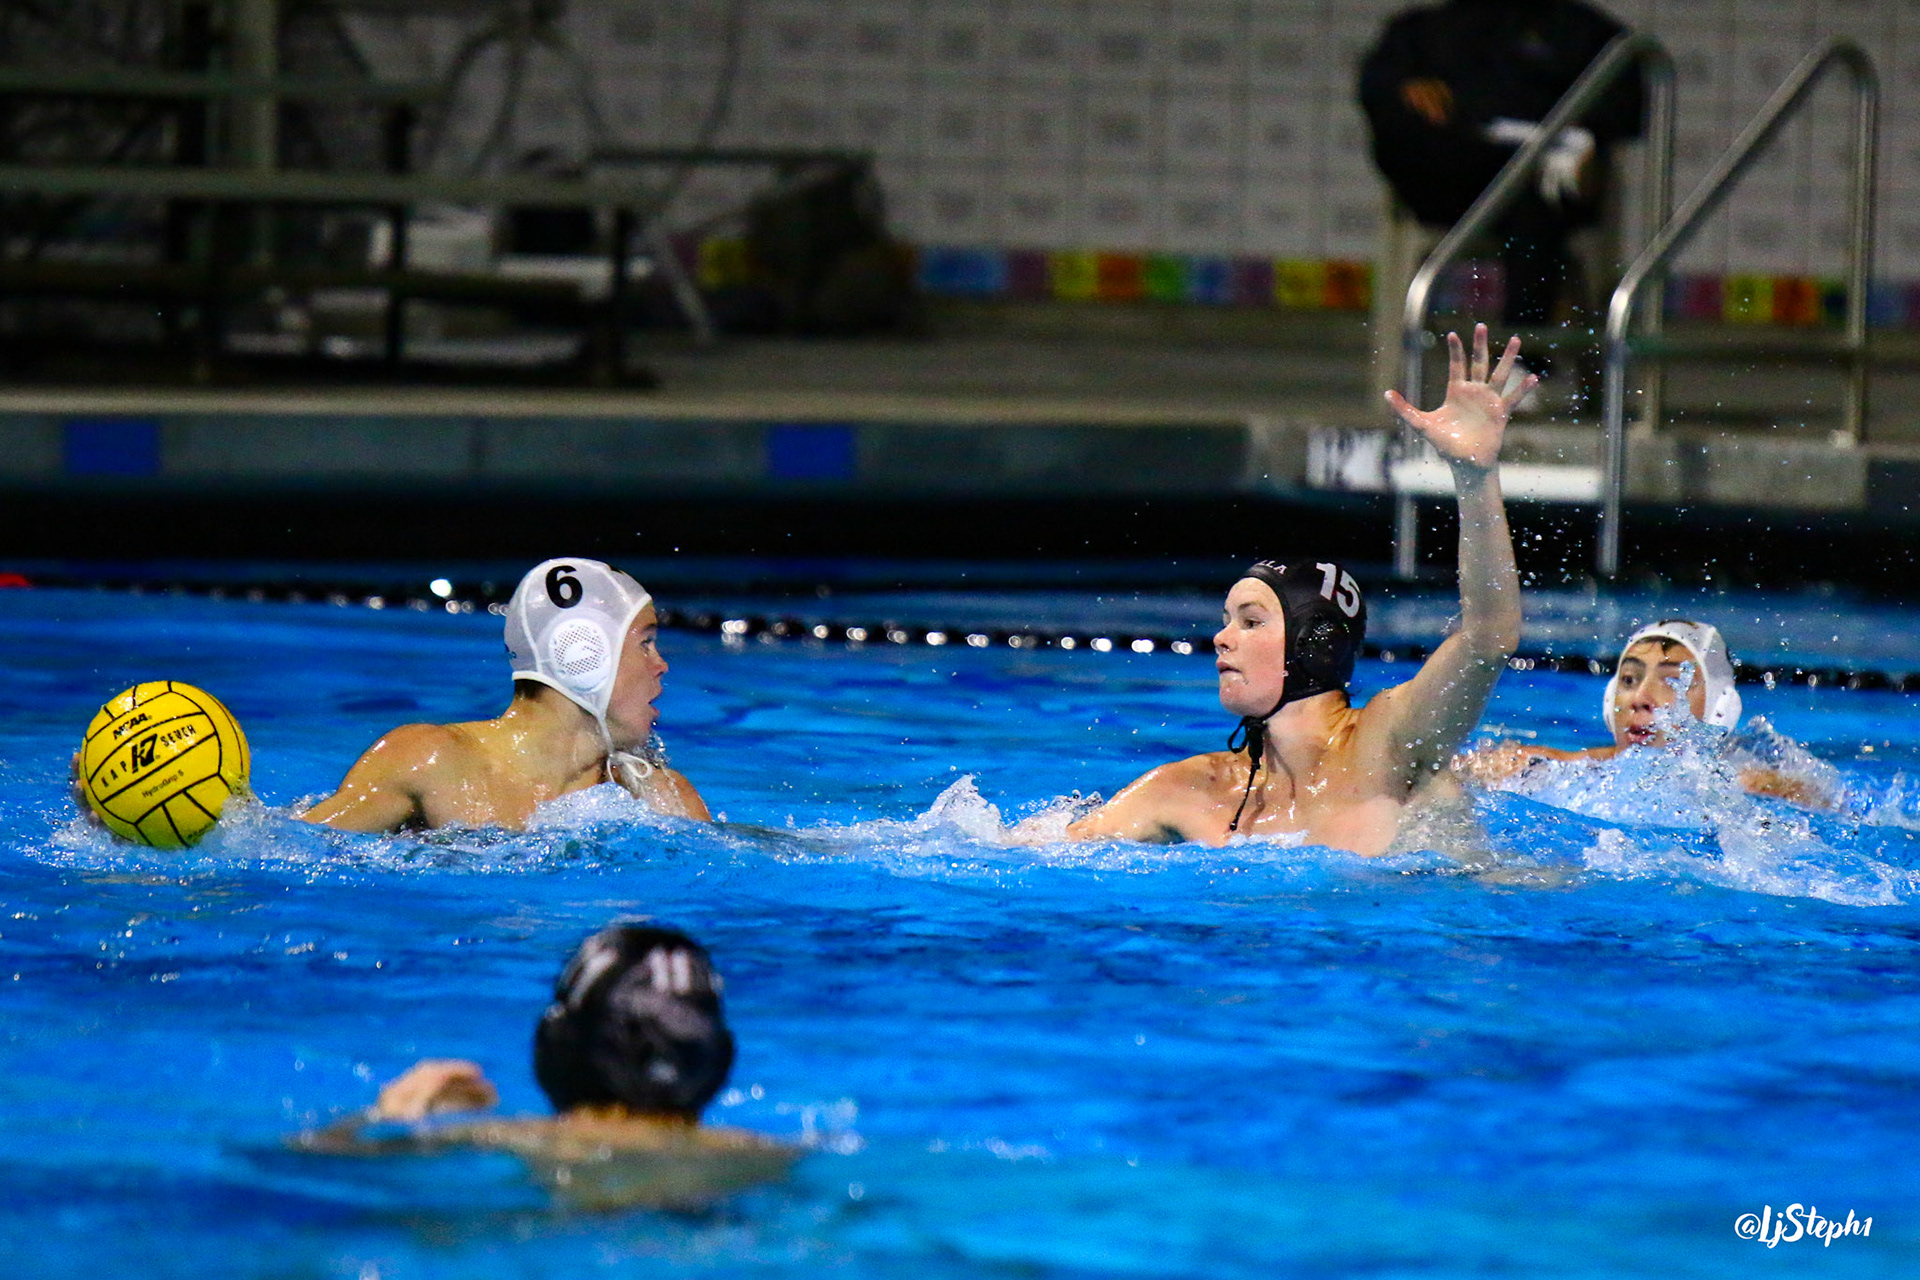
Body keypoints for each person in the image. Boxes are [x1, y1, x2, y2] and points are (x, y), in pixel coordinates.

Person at [1054, 324, 1531, 856]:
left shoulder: (1389, 743)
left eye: (1251, 621)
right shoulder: (1192, 789)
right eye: (1228, 620)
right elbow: (1022, 852)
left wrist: (1474, 476)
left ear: (1314, 644)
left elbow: (1489, 638)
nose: (1222, 639)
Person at [291, 923, 797, 1212]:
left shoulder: (496, 1141)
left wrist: (386, 1118)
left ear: (557, 1050)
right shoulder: (775, 1160)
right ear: (717, 1060)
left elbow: (305, 1170)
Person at [302, 558, 708, 831]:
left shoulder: (661, 798)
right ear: (583, 654)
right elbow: (298, 850)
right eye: (645, 643)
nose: (661, 664)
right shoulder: (430, 761)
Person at [1358, 0, 1644, 326]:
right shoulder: (1423, 30)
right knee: (1404, 122)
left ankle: (1522, 348)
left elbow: (1628, 98)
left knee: (1532, 195)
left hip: (1542, 188)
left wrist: (1589, 136)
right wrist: (1405, 90)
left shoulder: (1580, 31)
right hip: (1452, 178)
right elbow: (1377, 86)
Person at [1455, 620, 1831, 806]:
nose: (1641, 698)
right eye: (1629, 679)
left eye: (1673, 681)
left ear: (1720, 709)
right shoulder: (1557, 769)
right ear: (1610, 701)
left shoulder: (1748, 786)